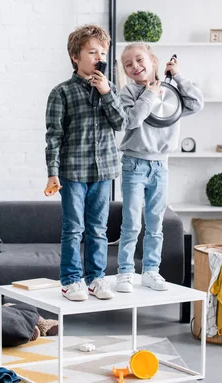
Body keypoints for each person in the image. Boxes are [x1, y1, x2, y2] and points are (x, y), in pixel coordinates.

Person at [44, 24, 127, 301]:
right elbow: (54, 136)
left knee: (98, 229)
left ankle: (96, 278)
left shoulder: (110, 88)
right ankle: (70, 281)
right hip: (72, 172)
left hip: (104, 172)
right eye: (91, 52)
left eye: (102, 52)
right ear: (75, 57)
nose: (98, 57)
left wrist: (106, 92)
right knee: (74, 228)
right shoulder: (62, 92)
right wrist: (52, 173)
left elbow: (120, 123)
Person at [117, 43, 203, 292]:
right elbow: (132, 120)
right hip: (134, 163)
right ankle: (125, 272)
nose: (135, 67)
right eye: (128, 64)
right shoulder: (128, 93)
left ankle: (151, 271)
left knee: (156, 221)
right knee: (131, 221)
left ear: (153, 60)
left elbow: (196, 103)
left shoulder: (171, 92)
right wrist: (150, 95)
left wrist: (177, 76)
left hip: (161, 165)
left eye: (140, 60)